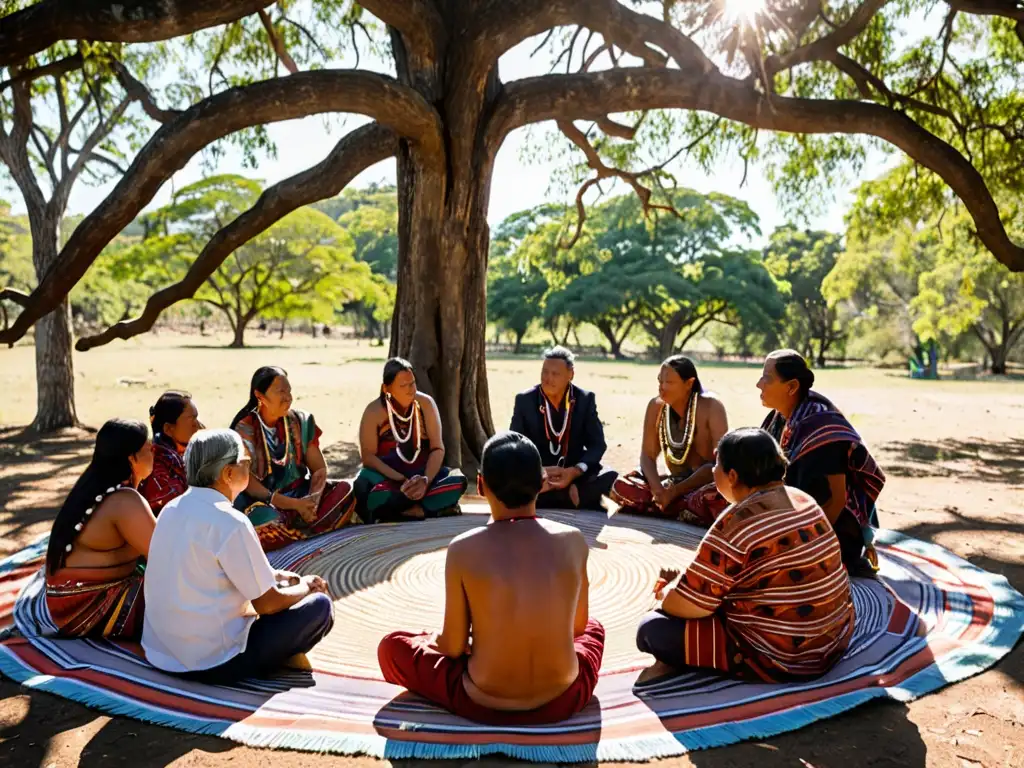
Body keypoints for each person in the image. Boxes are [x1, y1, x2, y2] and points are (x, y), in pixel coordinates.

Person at [377, 432, 604, 725]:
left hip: (484, 701)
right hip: (564, 696)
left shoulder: (463, 548)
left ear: (481, 485)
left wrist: (432, 639)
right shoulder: (573, 540)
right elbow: (578, 628)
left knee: (392, 647)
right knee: (595, 629)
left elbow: (453, 647)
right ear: (542, 482)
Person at [635, 428, 855, 683]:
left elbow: (683, 605)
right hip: (834, 639)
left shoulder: (736, 522)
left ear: (732, 475)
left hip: (784, 657)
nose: (712, 472)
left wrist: (665, 591)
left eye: (716, 465)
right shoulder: (804, 500)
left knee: (652, 629)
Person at [143, 429, 334, 682]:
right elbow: (267, 604)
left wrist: (273, 575)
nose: (250, 468)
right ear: (228, 473)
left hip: (161, 653)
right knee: (320, 607)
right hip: (212, 662)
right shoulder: (231, 521)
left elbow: (202, 569)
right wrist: (308, 586)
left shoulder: (171, 509)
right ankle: (278, 657)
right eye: (246, 462)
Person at [757, 350, 886, 573]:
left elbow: (836, 501)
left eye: (767, 378)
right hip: (797, 521)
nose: (759, 384)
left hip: (832, 530)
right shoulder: (779, 418)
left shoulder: (821, 428)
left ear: (791, 387)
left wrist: (802, 546)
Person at [44, 419, 156, 639]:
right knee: (198, 598)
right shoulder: (124, 500)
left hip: (65, 606)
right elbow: (167, 555)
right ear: (132, 458)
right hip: (88, 610)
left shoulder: (94, 488)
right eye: (148, 449)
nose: (154, 454)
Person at [231, 366, 360, 551]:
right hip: (268, 502)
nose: (288, 397)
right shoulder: (244, 429)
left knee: (345, 490)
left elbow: (319, 469)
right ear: (260, 396)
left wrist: (312, 501)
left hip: (302, 494)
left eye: (289, 391)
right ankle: (307, 532)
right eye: (281, 391)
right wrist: (295, 505)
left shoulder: (300, 421)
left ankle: (297, 532)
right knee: (263, 522)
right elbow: (249, 485)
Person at [610, 355, 729, 525]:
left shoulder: (711, 406)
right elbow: (647, 456)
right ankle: (677, 508)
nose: (662, 388)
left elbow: (719, 465)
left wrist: (674, 492)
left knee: (716, 498)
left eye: (669, 383)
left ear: (689, 383)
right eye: (660, 382)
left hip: (703, 484)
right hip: (671, 484)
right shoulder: (656, 406)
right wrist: (658, 490)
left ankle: (667, 507)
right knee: (621, 486)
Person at [353, 358, 467, 522]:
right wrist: (401, 480)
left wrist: (425, 481)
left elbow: (437, 448)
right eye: (403, 386)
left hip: (423, 478)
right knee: (363, 485)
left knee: (456, 480)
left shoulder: (426, 404)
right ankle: (430, 508)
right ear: (387, 389)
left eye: (412, 383)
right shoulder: (374, 411)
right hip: (390, 480)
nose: (410, 390)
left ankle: (413, 510)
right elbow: (368, 458)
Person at [509, 346, 618, 511]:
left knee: (610, 477)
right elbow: (516, 444)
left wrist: (573, 472)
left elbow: (597, 445)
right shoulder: (525, 400)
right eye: (544, 372)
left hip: (574, 472)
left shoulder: (584, 400)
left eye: (555, 374)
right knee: (509, 480)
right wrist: (538, 472)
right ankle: (570, 496)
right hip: (538, 472)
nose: (548, 378)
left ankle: (548, 496)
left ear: (570, 374)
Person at [138, 391, 204, 515]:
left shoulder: (183, 456)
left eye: (197, 418)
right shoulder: (156, 467)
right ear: (168, 429)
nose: (199, 426)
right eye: (192, 419)